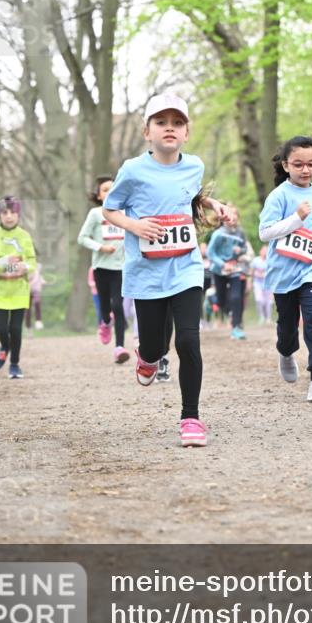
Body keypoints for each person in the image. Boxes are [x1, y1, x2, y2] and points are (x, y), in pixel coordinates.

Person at [101, 92, 229, 447]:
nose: (169, 129)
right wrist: (136, 226)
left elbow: (189, 196)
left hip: (186, 266)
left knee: (188, 339)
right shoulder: (133, 170)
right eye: (161, 123)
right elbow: (110, 211)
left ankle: (191, 418)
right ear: (147, 132)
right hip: (146, 271)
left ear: (186, 132)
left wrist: (214, 203)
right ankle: (148, 357)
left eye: (177, 123)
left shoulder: (195, 166)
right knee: (156, 345)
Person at [259, 136, 312, 403]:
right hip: (284, 272)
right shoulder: (278, 196)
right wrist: (296, 218)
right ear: (286, 165)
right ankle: (285, 351)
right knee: (287, 327)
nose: (306, 170)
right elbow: (265, 232)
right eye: (299, 164)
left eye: (311, 164)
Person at [77, 176, 129, 364]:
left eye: (113, 188)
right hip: (101, 267)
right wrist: (101, 247)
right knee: (106, 307)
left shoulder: (125, 212)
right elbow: (82, 238)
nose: (109, 192)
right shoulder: (96, 213)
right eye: (105, 189)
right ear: (99, 195)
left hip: (121, 267)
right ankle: (105, 322)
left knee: (118, 305)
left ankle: (119, 347)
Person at [0, 196, 36, 379]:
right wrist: (3, 265)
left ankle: (14, 364)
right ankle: (4, 347)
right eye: (5, 212)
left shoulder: (24, 236)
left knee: (15, 329)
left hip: (19, 291)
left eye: (13, 212)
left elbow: (31, 261)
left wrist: (24, 268)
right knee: (0, 329)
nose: (9, 216)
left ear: (18, 215)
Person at [207, 205, 254, 339]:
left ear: (237, 218)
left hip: (235, 269)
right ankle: (213, 300)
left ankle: (236, 327)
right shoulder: (218, 233)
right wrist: (223, 264)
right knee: (222, 301)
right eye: (228, 215)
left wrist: (241, 252)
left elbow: (245, 248)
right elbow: (210, 253)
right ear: (223, 218)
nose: (231, 218)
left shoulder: (241, 233)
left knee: (236, 297)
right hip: (219, 270)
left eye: (234, 215)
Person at [250, 244, 273, 323]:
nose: (265, 252)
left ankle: (268, 318)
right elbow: (251, 272)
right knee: (259, 300)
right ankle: (261, 317)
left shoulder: (270, 261)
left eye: (266, 251)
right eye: (264, 250)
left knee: (268, 301)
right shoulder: (256, 260)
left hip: (268, 284)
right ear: (260, 251)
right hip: (257, 283)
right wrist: (250, 282)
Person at [25, 257, 46, 330]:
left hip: (36, 288)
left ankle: (38, 321)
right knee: (28, 309)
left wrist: (42, 280)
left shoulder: (38, 266)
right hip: (27, 289)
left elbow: (39, 275)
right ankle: (28, 327)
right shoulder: (24, 266)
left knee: (37, 302)